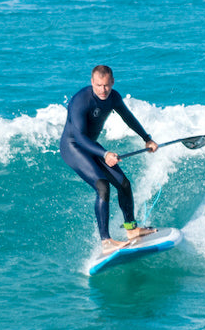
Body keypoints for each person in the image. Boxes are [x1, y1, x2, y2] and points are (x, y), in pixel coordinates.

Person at [60, 65, 159, 253]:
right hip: (73, 147)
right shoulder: (80, 101)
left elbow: (128, 117)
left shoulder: (113, 97)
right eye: (98, 85)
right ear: (92, 82)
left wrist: (147, 138)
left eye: (106, 85)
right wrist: (105, 154)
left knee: (124, 184)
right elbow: (79, 137)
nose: (103, 90)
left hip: (91, 146)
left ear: (112, 82)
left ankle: (131, 229)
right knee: (102, 186)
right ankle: (106, 241)